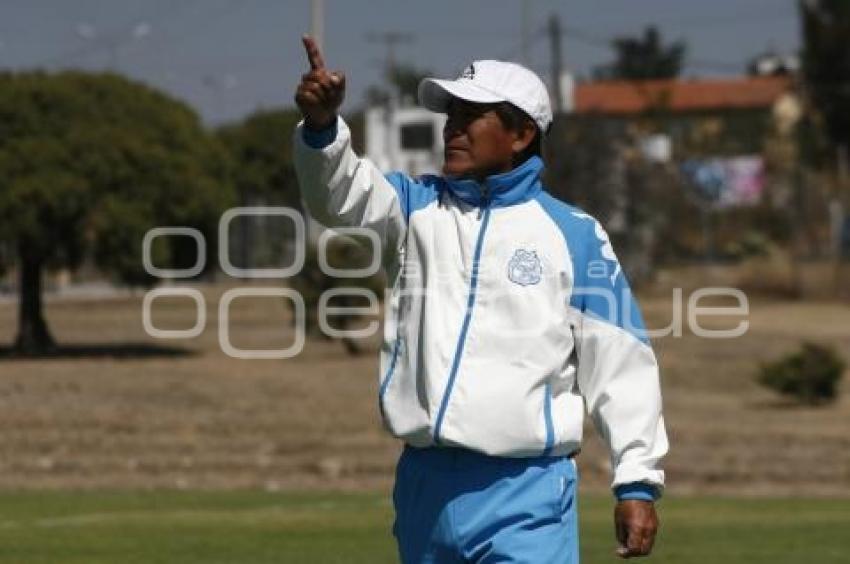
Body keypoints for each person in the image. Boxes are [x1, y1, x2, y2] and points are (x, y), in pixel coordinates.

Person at [293, 35, 668, 563]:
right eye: (451, 115)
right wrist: (321, 129)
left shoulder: (573, 235)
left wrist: (636, 483)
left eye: (472, 115)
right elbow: (335, 196)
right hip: (425, 486)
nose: (453, 128)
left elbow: (622, 363)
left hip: (526, 490)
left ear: (520, 134)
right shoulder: (411, 207)